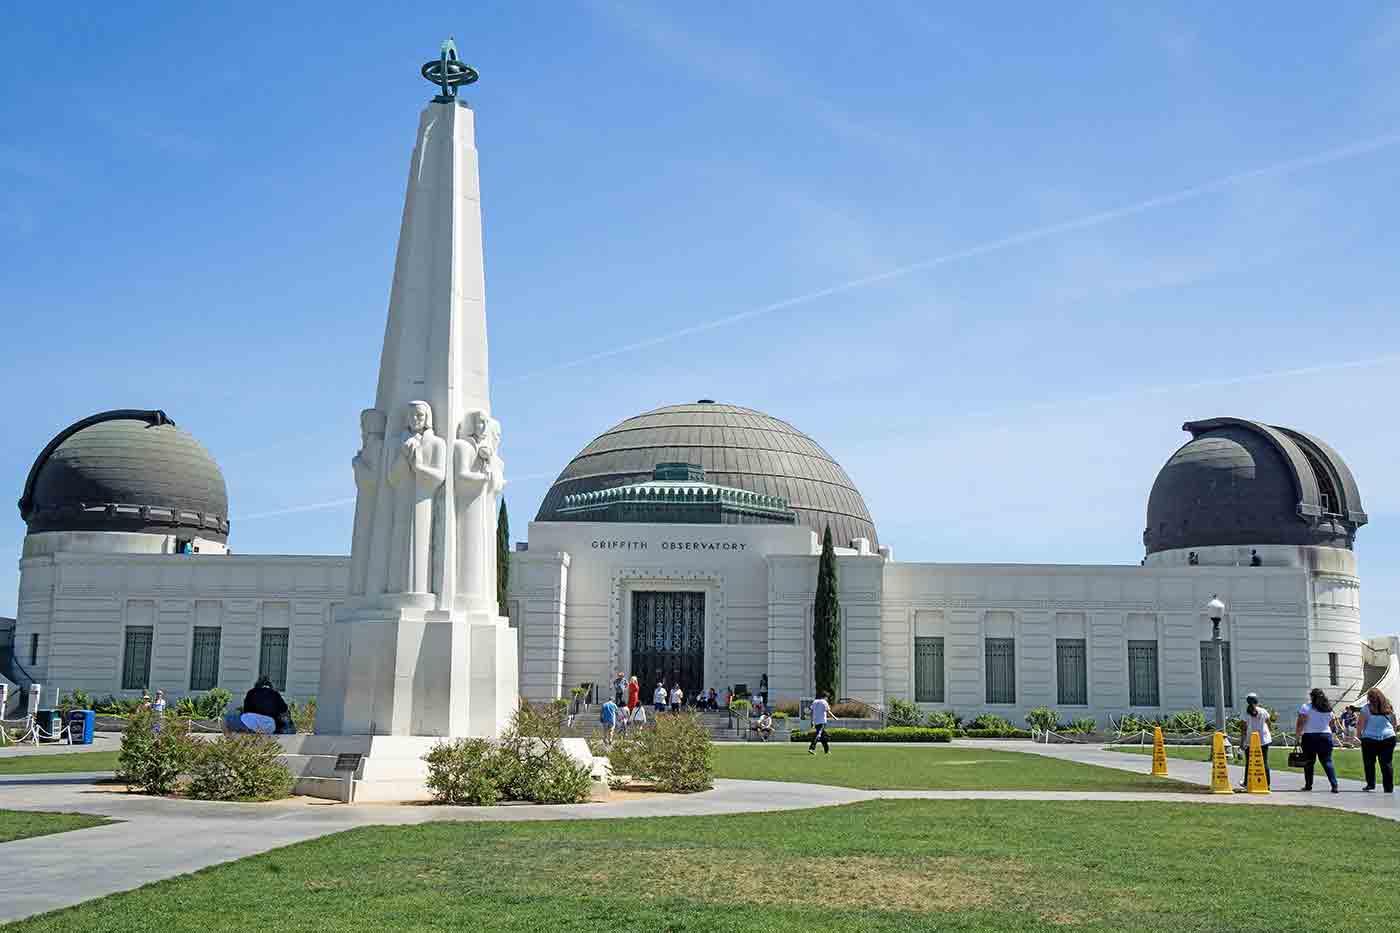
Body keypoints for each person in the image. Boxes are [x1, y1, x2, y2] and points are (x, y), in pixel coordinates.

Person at [1294, 687, 1340, 793]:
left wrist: (1297, 736)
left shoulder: (1306, 707)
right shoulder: (1328, 709)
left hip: (1309, 737)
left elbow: (1300, 723)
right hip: (1325, 736)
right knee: (1327, 761)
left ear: (1312, 697)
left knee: (1309, 762)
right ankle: (1334, 785)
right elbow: (1333, 725)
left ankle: (1308, 785)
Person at [1357, 687, 1397, 793]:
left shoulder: (1366, 709)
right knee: (1386, 763)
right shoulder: (1388, 707)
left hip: (1369, 738)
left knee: (1369, 763)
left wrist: (1359, 735)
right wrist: (1392, 733)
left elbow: (1360, 724)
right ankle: (1388, 787)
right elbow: (1394, 723)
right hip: (1388, 737)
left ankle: (1371, 784)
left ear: (1369, 698)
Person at [1238, 692, 1272, 788]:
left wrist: (1242, 743)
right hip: (1264, 739)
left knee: (1249, 762)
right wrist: (1269, 733)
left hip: (1251, 740)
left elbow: (1243, 729)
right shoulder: (1263, 711)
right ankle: (1267, 784)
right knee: (1264, 761)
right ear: (1257, 701)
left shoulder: (1245, 713)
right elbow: (1269, 724)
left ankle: (1246, 782)